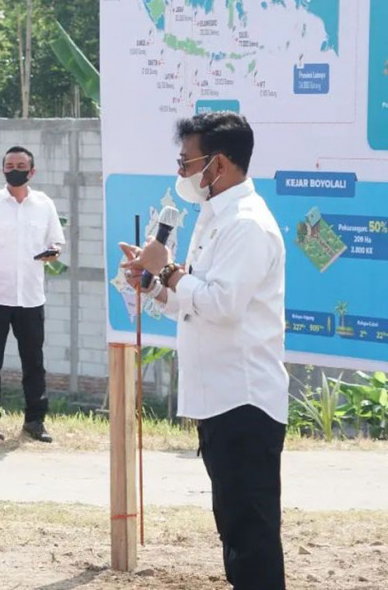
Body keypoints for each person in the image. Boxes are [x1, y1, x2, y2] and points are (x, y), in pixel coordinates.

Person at [120, 112, 288, 590]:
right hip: (219, 398)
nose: (181, 172)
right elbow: (196, 304)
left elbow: (223, 305)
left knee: (251, 535)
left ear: (218, 163)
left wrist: (169, 271)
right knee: (235, 529)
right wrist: (155, 285)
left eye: (186, 162)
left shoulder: (247, 224)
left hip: (244, 399)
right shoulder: (215, 217)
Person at [0, 146, 65, 443]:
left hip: (30, 296)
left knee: (34, 362)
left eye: (21, 166)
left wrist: (53, 252)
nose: (14, 170)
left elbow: (56, 242)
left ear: (31, 171)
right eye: (10, 165)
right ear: (3, 170)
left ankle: (35, 421)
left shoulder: (44, 204)